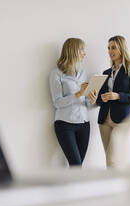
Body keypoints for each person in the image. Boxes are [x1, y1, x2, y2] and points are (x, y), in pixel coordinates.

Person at [96, 35, 130, 167]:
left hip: (123, 120)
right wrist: (96, 97)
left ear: (121, 49)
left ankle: (114, 185)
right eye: (108, 48)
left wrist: (118, 96)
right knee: (111, 160)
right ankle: (117, 183)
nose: (110, 51)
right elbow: (100, 100)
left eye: (113, 48)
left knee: (112, 159)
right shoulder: (106, 72)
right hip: (104, 120)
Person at [49, 38, 98, 167]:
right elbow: (57, 102)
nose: (84, 53)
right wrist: (79, 94)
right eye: (82, 49)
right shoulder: (56, 74)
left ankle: (73, 187)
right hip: (65, 125)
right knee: (75, 164)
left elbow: (85, 102)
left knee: (78, 167)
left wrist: (92, 100)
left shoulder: (82, 73)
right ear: (73, 50)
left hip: (84, 124)